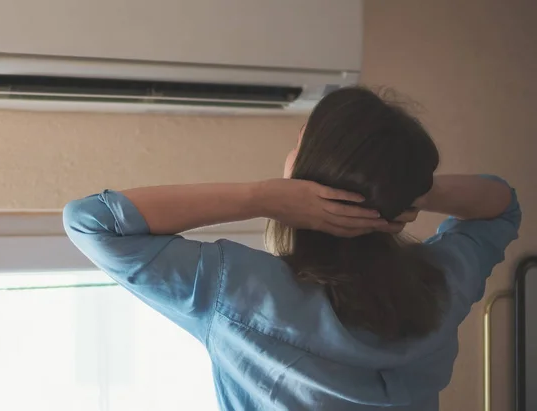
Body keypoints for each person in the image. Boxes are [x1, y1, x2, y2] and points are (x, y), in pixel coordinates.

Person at [63, 87, 521, 410]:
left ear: (303, 174)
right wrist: (413, 190)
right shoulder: (441, 286)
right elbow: (501, 205)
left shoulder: (237, 291)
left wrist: (259, 197)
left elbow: (92, 222)